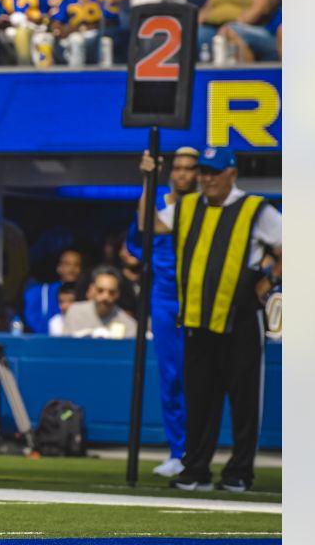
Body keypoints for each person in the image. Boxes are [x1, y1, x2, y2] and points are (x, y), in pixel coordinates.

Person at [142, 146, 281, 493]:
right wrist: (148, 180)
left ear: (231, 174)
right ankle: (196, 469)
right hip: (196, 320)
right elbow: (149, 226)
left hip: (240, 319)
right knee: (200, 399)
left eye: (213, 172)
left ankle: (238, 472)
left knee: (243, 400)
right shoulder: (187, 207)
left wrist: (269, 282)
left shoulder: (255, 209)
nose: (206, 179)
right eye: (203, 172)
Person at [130, 145, 200, 478]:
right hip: (164, 296)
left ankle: (199, 449)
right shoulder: (158, 204)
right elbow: (142, 233)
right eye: (179, 167)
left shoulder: (205, 206)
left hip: (200, 297)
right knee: (171, 376)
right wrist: (147, 177)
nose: (184, 173)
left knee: (200, 379)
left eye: (191, 168)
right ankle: (178, 450)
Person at [62, 265, 137, 338]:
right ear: (92, 289)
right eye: (100, 290)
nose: (105, 297)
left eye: (111, 292)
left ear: (118, 294)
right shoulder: (75, 312)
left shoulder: (128, 324)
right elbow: (64, 346)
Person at [21, 248, 84, 334]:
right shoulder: (39, 294)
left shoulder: (86, 294)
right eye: (67, 264)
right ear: (59, 268)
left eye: (76, 265)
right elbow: (32, 322)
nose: (72, 269)